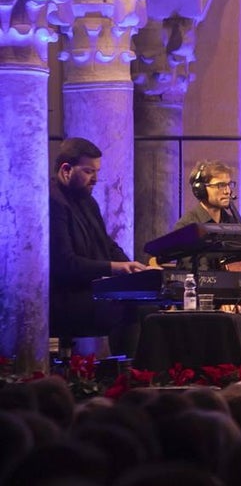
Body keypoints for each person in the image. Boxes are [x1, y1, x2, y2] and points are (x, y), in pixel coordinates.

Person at [49, 137, 149, 354]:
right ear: (66, 170)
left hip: (88, 291)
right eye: (88, 171)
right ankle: (127, 376)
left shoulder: (87, 201)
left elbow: (106, 244)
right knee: (134, 309)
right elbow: (65, 265)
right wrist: (114, 268)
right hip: (64, 298)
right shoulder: (53, 202)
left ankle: (138, 376)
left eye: (96, 171)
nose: (95, 179)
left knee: (148, 304)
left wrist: (136, 269)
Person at [175, 161, 241, 228]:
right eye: (220, 185)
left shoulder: (233, 223)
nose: (228, 191)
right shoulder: (186, 226)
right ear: (201, 190)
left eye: (229, 184)